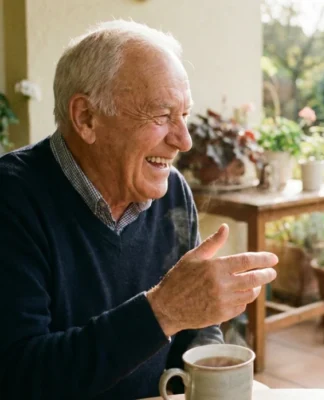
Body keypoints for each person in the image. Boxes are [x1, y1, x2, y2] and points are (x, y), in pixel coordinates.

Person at [0, 20, 277, 400]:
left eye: (185, 115)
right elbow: (20, 375)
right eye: (162, 116)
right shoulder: (11, 197)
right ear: (86, 118)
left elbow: (195, 327)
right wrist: (161, 311)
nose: (184, 139)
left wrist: (215, 365)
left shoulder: (172, 192)